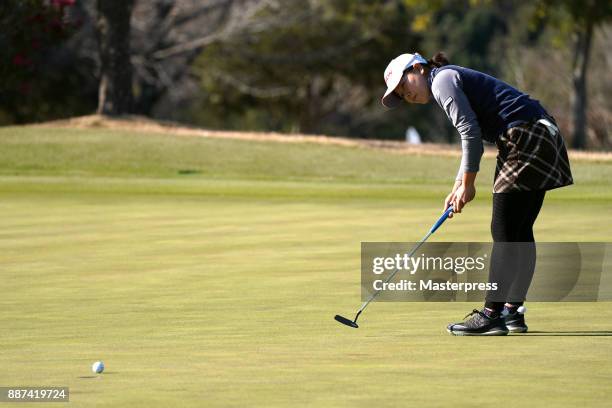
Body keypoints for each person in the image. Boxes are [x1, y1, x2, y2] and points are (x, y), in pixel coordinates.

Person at [381, 52, 573, 335]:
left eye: (403, 83)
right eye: (398, 93)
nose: (404, 93)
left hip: (523, 135)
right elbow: (470, 135)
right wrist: (458, 184)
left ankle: (490, 315)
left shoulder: (442, 80)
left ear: (419, 68)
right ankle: (512, 313)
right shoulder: (445, 79)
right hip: (540, 133)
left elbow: (469, 133)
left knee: (504, 230)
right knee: (519, 231)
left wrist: (469, 185)